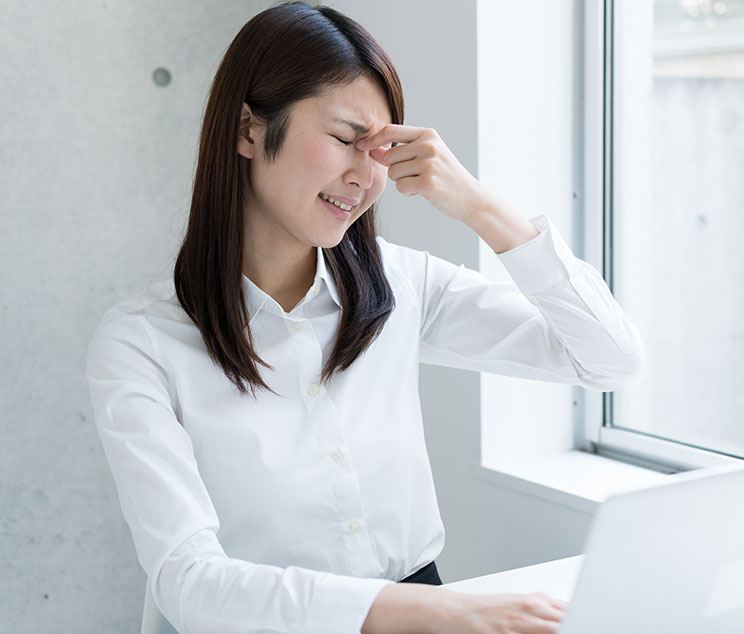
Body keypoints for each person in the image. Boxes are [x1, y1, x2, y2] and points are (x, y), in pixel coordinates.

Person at [85, 2, 644, 633]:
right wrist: (435, 611)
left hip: (427, 608)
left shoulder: (400, 283)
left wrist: (478, 205)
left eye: (380, 149)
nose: (365, 174)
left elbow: (609, 358)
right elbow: (189, 582)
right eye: (346, 139)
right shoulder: (142, 343)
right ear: (247, 130)